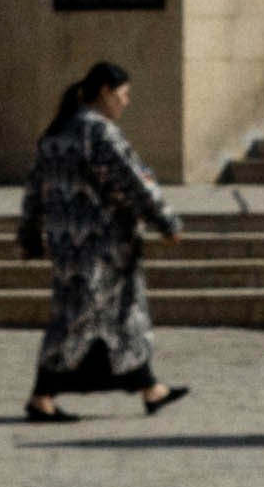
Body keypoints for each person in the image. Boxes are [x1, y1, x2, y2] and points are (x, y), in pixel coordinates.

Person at [19, 61, 191, 423]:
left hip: (68, 246)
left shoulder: (57, 131)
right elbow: (134, 183)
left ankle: (150, 388)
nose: (127, 103)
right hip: (104, 248)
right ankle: (42, 397)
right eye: (124, 95)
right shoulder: (99, 133)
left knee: (113, 320)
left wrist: (30, 234)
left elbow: (35, 188)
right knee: (80, 322)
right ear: (105, 92)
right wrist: (167, 222)